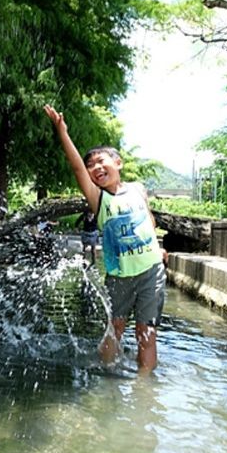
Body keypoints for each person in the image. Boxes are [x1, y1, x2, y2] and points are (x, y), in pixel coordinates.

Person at [44, 104, 167, 373]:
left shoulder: (138, 189)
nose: (96, 168)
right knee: (116, 329)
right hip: (119, 276)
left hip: (151, 272)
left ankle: (144, 390)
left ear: (118, 163)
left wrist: (159, 246)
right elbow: (76, 168)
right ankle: (106, 378)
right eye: (91, 166)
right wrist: (62, 132)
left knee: (147, 334)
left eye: (101, 162)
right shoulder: (99, 199)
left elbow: (149, 219)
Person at [79, 202, 99, 267]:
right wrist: (78, 228)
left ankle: (93, 262)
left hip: (93, 233)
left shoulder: (96, 216)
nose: (90, 214)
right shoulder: (84, 216)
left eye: (91, 213)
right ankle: (83, 261)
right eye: (89, 213)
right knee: (84, 248)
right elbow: (77, 222)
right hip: (86, 233)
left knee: (93, 249)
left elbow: (99, 222)